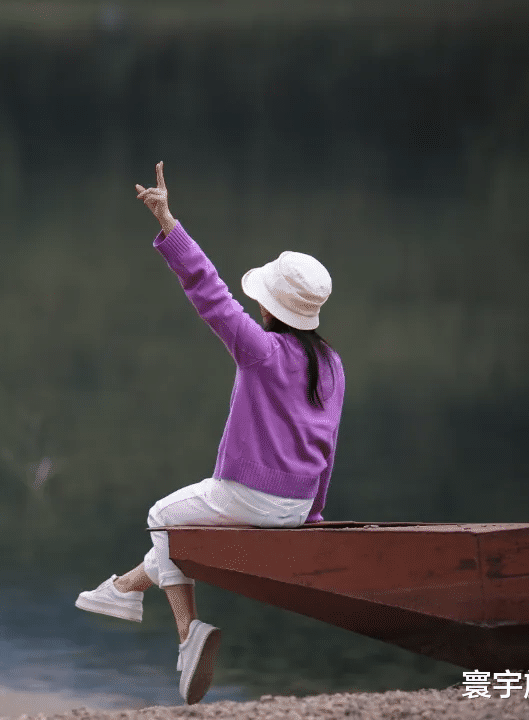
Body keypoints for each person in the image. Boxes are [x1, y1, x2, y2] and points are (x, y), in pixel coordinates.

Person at [75, 162, 345, 706]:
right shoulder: (333, 364)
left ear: (270, 306)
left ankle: (185, 635)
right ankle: (124, 591)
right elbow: (328, 446)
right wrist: (312, 514)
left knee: (161, 519)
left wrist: (169, 224)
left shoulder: (261, 350)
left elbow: (211, 293)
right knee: (175, 534)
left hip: (250, 495)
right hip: (295, 506)